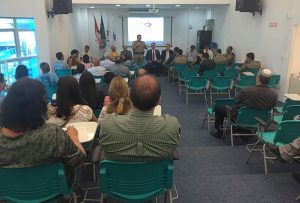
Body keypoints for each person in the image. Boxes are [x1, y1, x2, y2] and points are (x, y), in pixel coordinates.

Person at [0, 78, 86, 184]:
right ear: (40, 105)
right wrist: (73, 136)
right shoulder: (52, 134)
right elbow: (79, 160)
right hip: (53, 189)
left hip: (11, 194)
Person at [100, 75, 180, 161]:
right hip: (155, 174)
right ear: (158, 101)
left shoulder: (107, 124)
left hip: (116, 174)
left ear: (130, 97)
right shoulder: (172, 125)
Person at [212, 69, 278, 138]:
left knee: (218, 108)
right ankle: (245, 129)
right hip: (261, 120)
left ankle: (220, 133)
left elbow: (236, 102)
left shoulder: (246, 90)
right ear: (269, 80)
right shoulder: (274, 95)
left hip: (240, 118)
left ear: (258, 78)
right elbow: (271, 107)